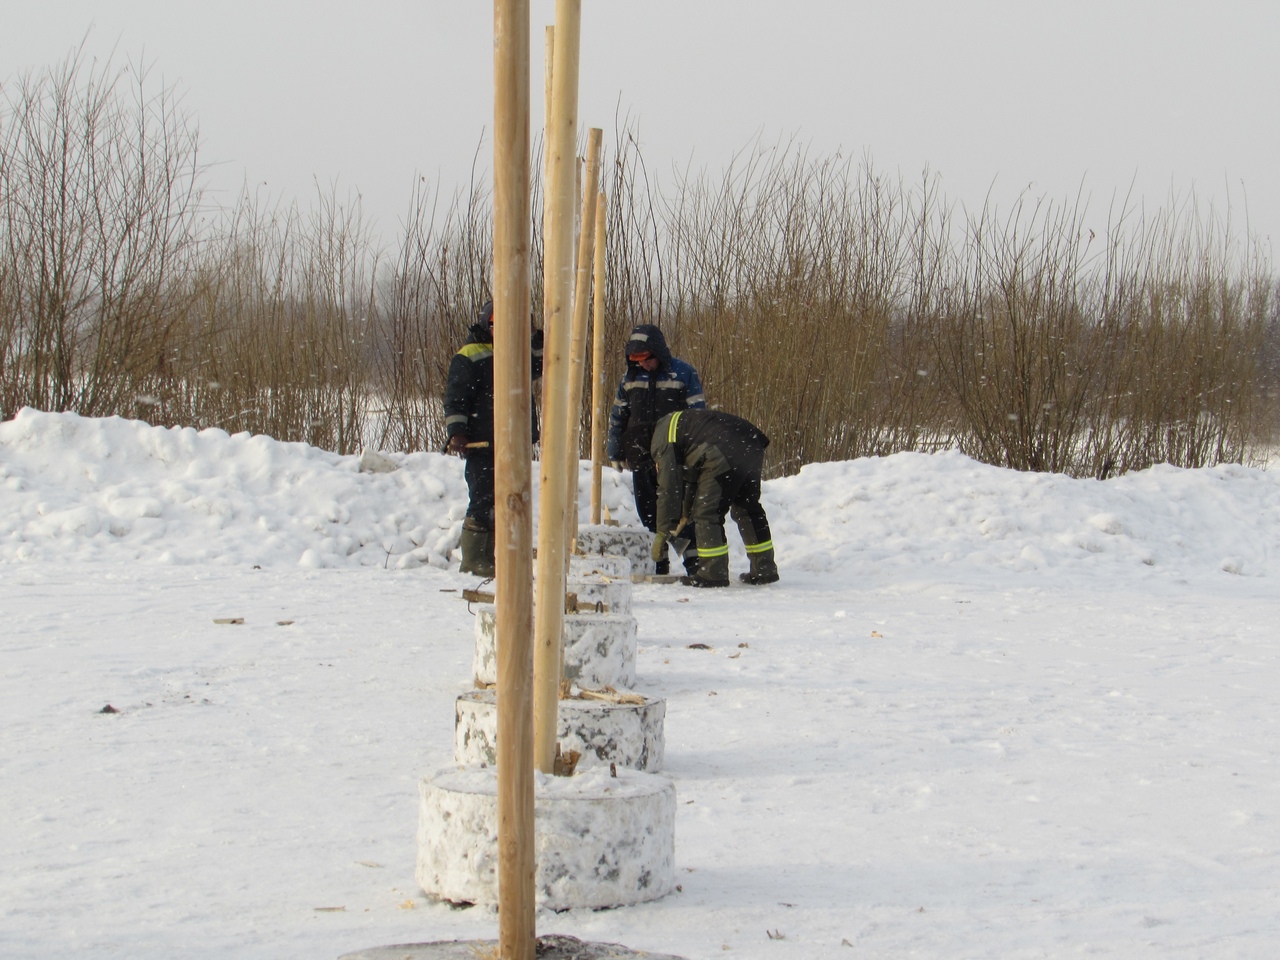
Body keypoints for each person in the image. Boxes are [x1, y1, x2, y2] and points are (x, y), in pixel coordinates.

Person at [444, 299, 543, 577]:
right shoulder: (469, 355)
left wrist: (536, 337)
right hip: (482, 442)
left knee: (512, 499)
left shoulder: (519, 350)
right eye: (496, 325)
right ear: (487, 324)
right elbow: (456, 399)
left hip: (515, 442)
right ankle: (476, 560)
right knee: (483, 499)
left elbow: (540, 364)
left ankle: (502, 558)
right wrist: (458, 432)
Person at [605, 323, 706, 575]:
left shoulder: (683, 374)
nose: (643, 365)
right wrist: (615, 449)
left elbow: (698, 415)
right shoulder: (629, 379)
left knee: (678, 513)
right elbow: (618, 416)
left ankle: (693, 562)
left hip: (675, 455)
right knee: (648, 512)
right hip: (641, 454)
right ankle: (658, 562)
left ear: (658, 353)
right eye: (637, 360)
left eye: (647, 359)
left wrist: (696, 452)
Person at [648, 408, 778, 588]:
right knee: (747, 508)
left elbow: (669, 488)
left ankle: (713, 573)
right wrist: (684, 514)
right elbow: (693, 478)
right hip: (751, 442)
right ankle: (764, 569)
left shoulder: (661, 439)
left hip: (725, 447)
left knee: (707, 512)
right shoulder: (683, 426)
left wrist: (662, 530)